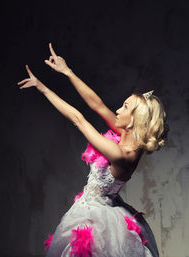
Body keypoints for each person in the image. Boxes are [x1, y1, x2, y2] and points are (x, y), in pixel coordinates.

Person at [17, 43, 168, 257]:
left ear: (134, 120)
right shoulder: (129, 135)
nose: (117, 109)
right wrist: (67, 71)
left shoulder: (122, 154)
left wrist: (42, 88)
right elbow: (97, 105)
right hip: (96, 206)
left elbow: (79, 119)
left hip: (98, 218)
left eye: (124, 107)